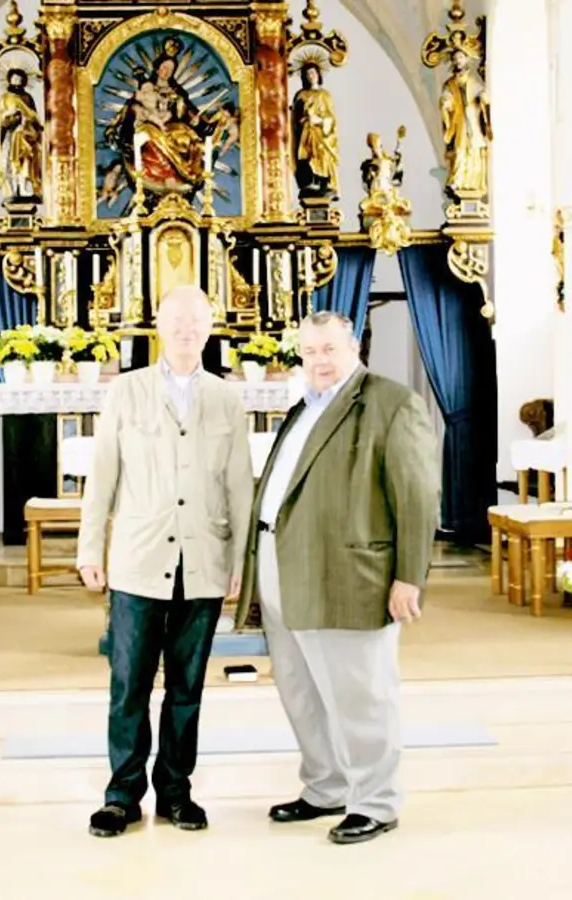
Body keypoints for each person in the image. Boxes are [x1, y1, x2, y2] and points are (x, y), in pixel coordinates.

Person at [234, 310, 439, 845]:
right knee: (302, 691)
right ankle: (325, 787)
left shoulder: (392, 404)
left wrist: (408, 578)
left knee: (359, 694)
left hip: (347, 572)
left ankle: (375, 800)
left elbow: (416, 498)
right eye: (309, 352)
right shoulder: (304, 406)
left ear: (354, 347)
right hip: (284, 566)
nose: (318, 361)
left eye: (328, 349)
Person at [76, 285, 254, 838]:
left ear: (209, 328)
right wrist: (89, 549)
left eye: (196, 323)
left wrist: (241, 562)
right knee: (128, 683)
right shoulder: (126, 392)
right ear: (159, 325)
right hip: (138, 559)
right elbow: (102, 476)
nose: (186, 331)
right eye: (176, 321)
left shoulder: (227, 398)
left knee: (187, 686)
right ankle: (121, 795)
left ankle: (176, 791)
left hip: (202, 559)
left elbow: (240, 487)